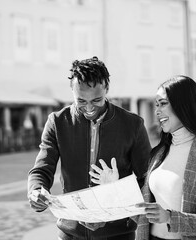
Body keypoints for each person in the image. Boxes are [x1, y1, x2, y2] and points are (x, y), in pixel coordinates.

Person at [92, 75, 196, 240]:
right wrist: (115, 187)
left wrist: (169, 217)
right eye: (156, 105)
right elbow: (142, 214)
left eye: (163, 104)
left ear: (184, 105)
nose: (157, 111)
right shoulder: (158, 153)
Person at [27, 56, 151, 240]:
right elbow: (42, 169)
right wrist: (36, 190)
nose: (89, 108)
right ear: (72, 92)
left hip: (118, 233)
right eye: (81, 101)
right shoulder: (57, 122)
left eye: (96, 100)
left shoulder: (133, 124)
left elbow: (146, 179)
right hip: (70, 232)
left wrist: (113, 203)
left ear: (107, 88)